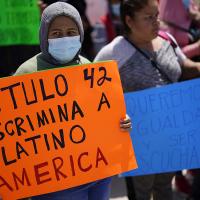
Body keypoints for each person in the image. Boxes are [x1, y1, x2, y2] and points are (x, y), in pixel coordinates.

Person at [7, 2, 132, 200]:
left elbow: (101, 113)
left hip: (98, 174)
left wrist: (120, 121)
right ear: (44, 35)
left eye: (71, 31)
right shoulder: (26, 73)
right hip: (54, 183)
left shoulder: (90, 68)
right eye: (56, 33)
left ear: (81, 33)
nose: (65, 38)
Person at [94, 0, 200, 199]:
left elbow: (185, 67)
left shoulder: (167, 39)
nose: (156, 22)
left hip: (170, 137)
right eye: (148, 18)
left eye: (157, 15)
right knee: (141, 194)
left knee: (165, 188)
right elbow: (92, 90)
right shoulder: (114, 52)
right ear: (129, 21)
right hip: (138, 143)